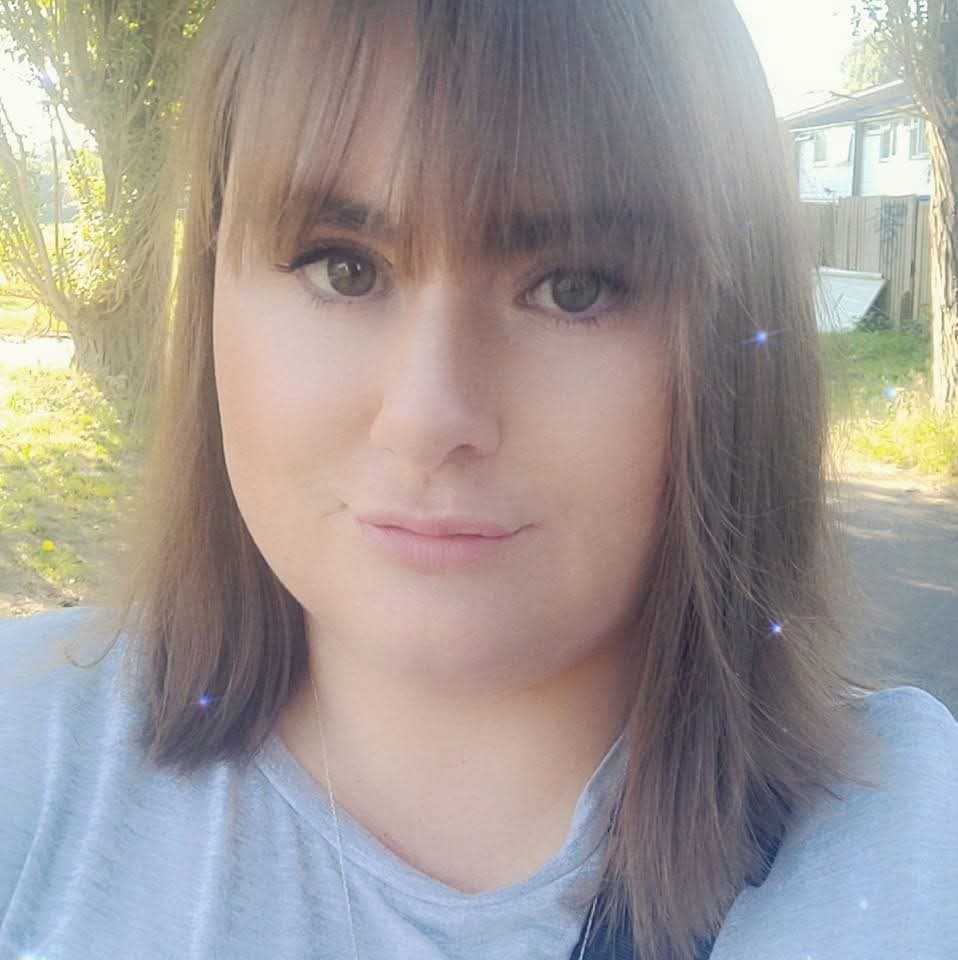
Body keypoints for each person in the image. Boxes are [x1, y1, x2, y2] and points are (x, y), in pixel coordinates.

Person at [2, 1, 956, 958]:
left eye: (573, 286)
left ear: (732, 354)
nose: (428, 418)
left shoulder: (896, 842)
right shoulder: (28, 747)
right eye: (344, 268)